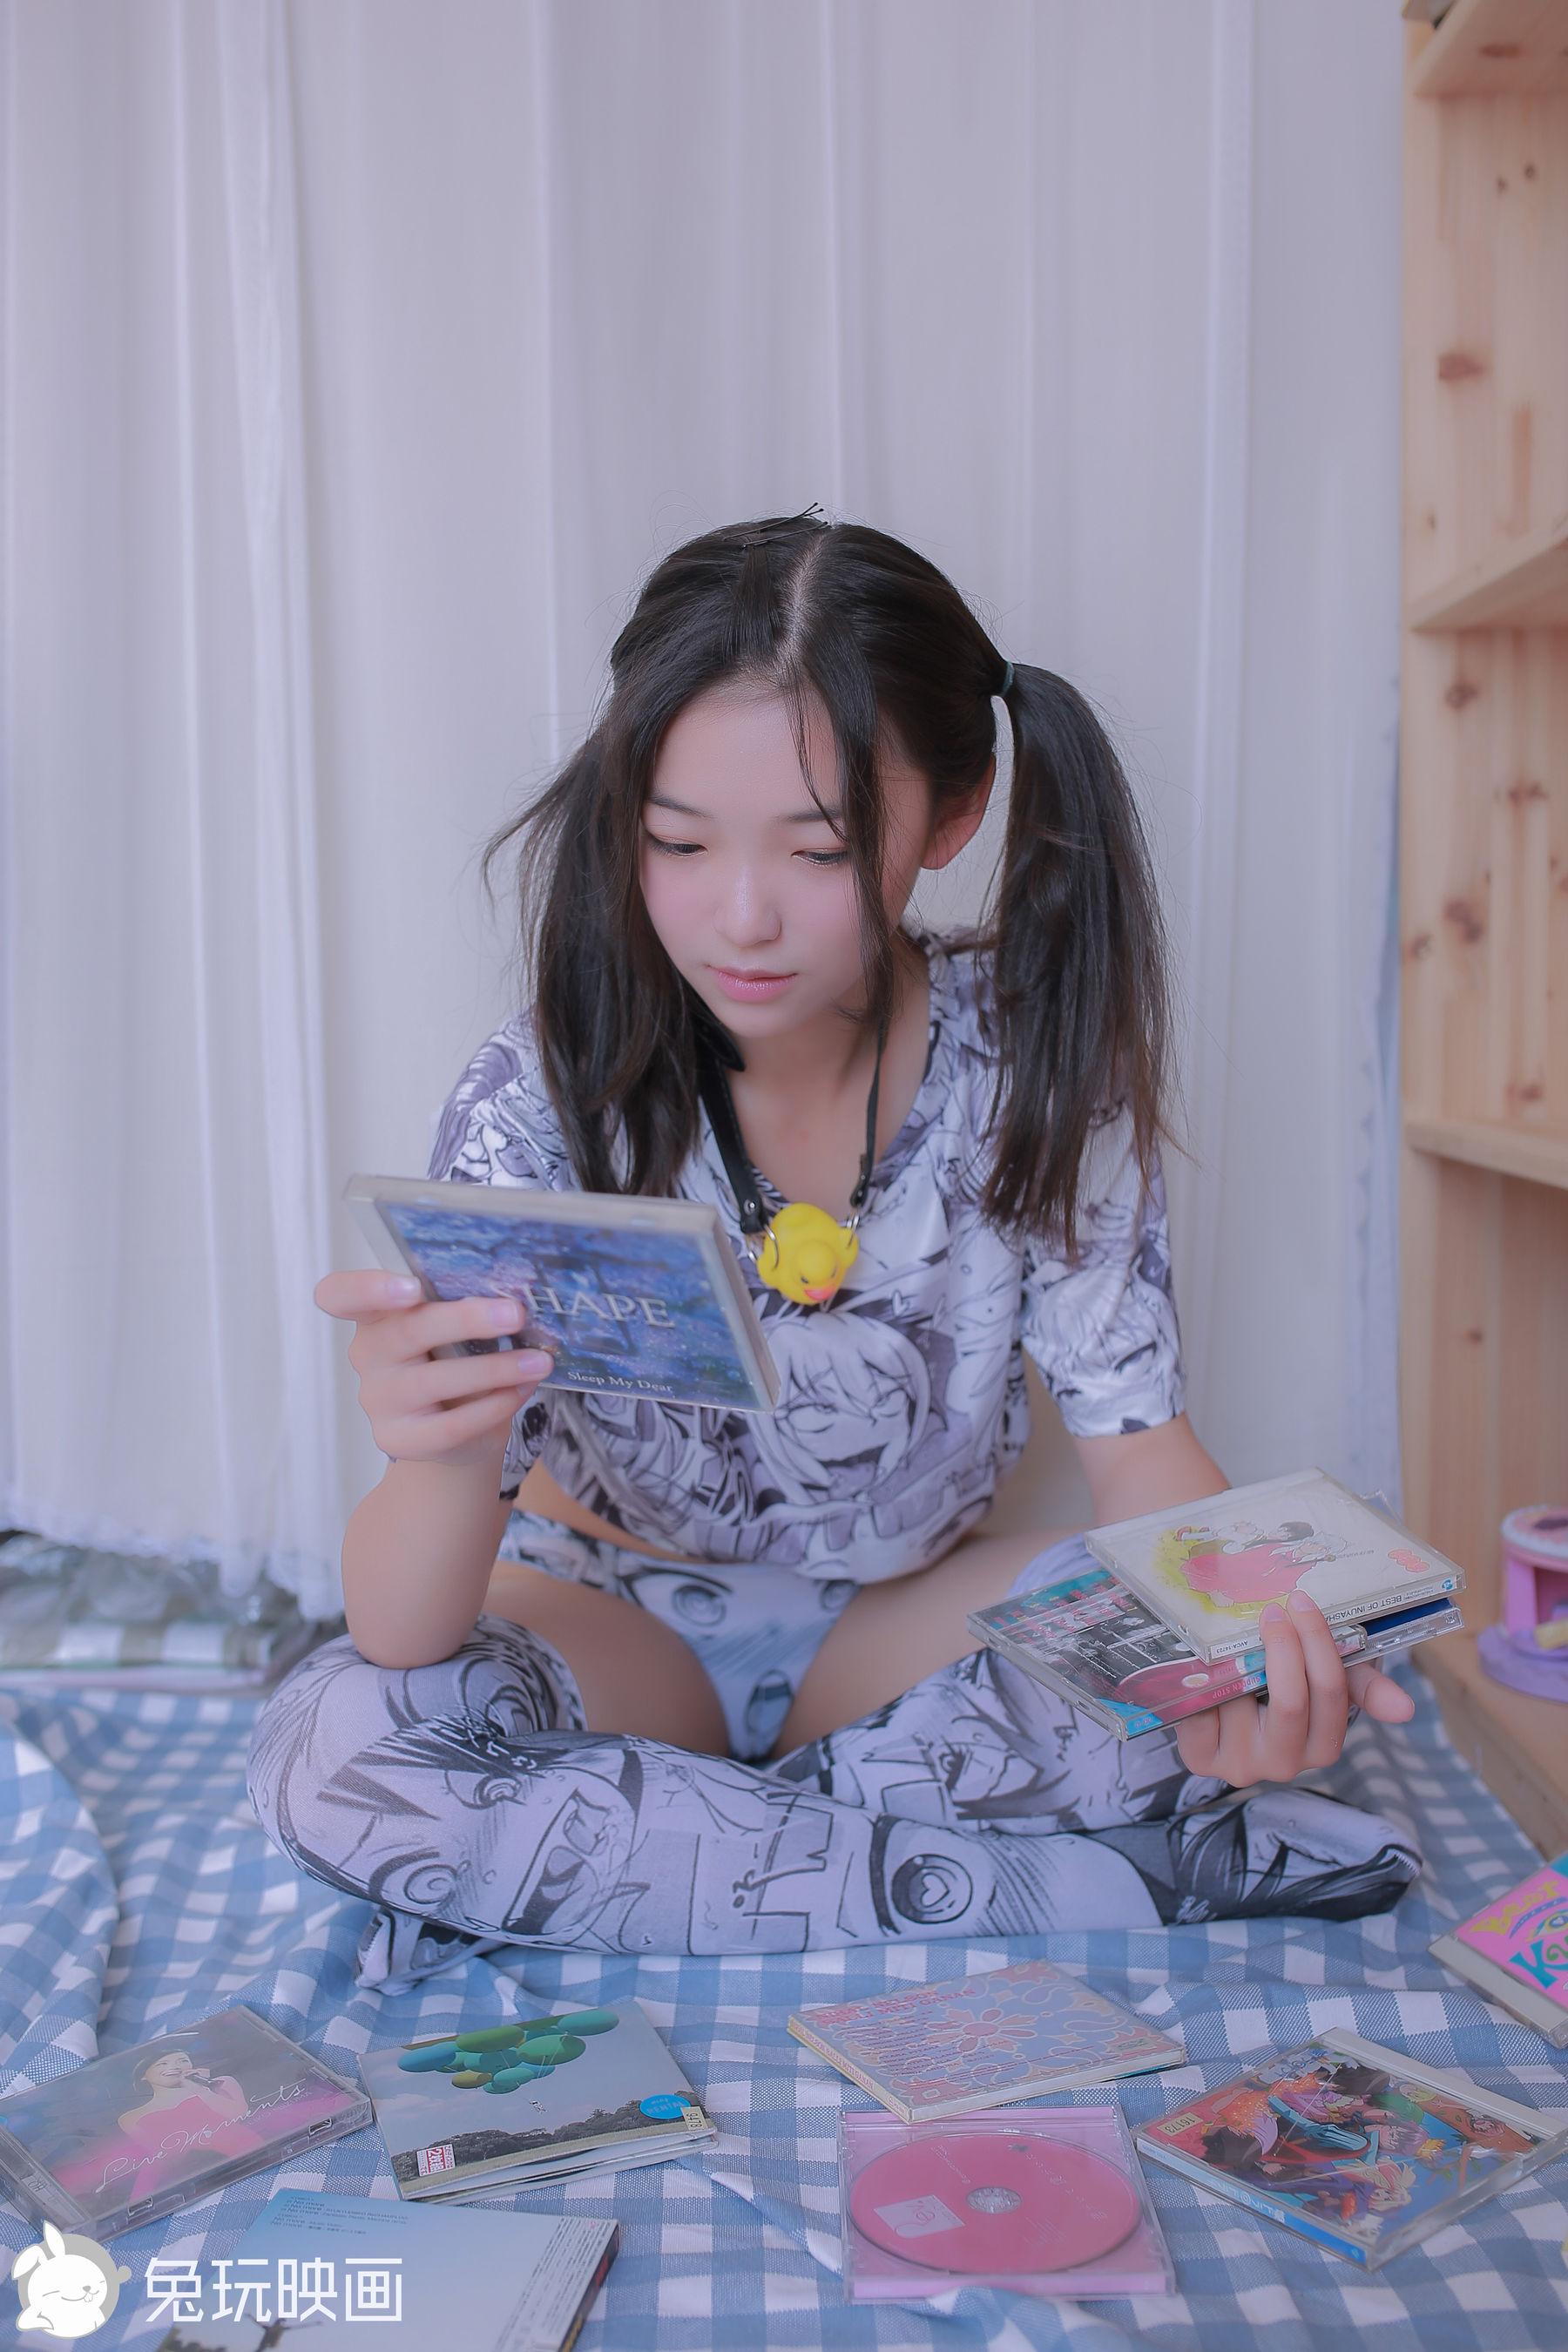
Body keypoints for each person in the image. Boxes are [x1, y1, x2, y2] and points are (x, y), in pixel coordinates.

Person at [247, 510, 1420, 1990]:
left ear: (953, 817)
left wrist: (1244, 1658)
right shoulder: (538, 1097)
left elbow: (1142, 1463)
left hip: (896, 1632)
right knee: (335, 1751)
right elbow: (403, 1630)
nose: (741, 917)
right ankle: (1042, 1877)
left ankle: (678, 1855)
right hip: (608, 1624)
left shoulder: (1035, 1067)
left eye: (819, 850)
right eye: (679, 843)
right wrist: (435, 1453)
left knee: (1271, 1642)